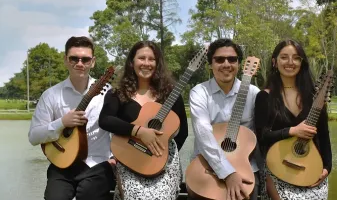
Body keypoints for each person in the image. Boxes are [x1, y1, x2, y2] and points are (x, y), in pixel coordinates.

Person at [28, 36, 116, 200]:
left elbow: (118, 128)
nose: (80, 63)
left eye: (85, 59)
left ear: (93, 61)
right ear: (66, 60)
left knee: (89, 195)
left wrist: (115, 158)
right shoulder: (51, 95)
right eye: (74, 58)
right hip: (61, 163)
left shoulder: (108, 93)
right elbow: (33, 136)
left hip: (97, 163)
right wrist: (62, 122)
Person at [99, 40, 188, 200]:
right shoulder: (118, 93)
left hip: (164, 163)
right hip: (129, 160)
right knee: (134, 196)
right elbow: (105, 120)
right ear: (132, 62)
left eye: (151, 59)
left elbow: (183, 132)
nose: (146, 63)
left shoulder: (170, 93)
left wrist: (160, 157)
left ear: (157, 63)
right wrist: (138, 132)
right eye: (141, 58)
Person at [254, 39, 332, 199]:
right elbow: (261, 137)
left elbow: (324, 136)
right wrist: (292, 131)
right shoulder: (264, 97)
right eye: (284, 57)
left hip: (311, 171)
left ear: (302, 63)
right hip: (278, 171)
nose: (290, 62)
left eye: (296, 57)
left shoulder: (315, 97)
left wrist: (327, 168)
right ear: (274, 62)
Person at [189, 38, 260, 200]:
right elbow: (203, 134)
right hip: (205, 170)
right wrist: (227, 173)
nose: (226, 64)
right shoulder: (199, 92)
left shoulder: (253, 93)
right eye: (219, 59)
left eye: (232, 59)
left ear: (239, 64)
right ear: (210, 64)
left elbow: (262, 134)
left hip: (246, 171)